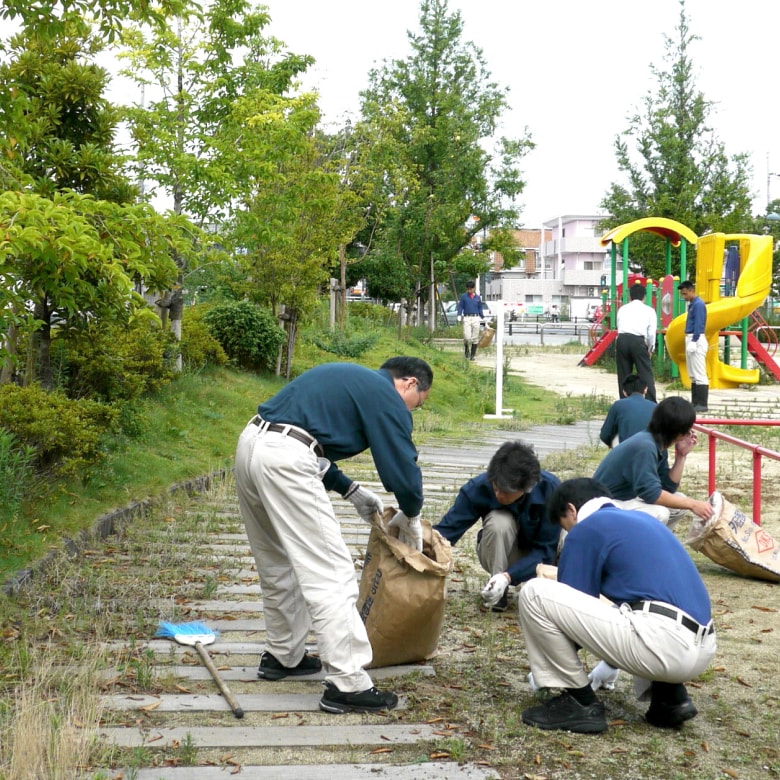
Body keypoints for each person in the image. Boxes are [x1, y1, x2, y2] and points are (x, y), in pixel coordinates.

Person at [233, 356, 433, 714]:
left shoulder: (350, 378)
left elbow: (309, 437)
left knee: (277, 564)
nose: (412, 413)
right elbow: (401, 469)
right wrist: (413, 512)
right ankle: (347, 683)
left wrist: (349, 489)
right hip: (286, 459)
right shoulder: (385, 394)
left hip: (252, 444)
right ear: (408, 384)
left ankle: (284, 656)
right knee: (333, 574)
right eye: (418, 404)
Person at [518, 478, 716, 734]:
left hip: (664, 645)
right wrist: (612, 662)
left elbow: (572, 613)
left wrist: (547, 668)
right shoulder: (644, 521)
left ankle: (579, 702)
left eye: (564, 525)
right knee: (639, 607)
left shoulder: (586, 528)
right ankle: (669, 697)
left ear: (571, 510)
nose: (567, 531)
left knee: (535, 592)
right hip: (703, 647)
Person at [433, 441, 560, 612]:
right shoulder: (477, 488)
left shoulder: (550, 490)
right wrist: (418, 543)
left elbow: (546, 550)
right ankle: (496, 588)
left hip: (539, 558)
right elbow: (446, 532)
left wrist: (509, 576)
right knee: (499, 521)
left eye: (507, 492)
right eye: (496, 487)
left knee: (568, 533)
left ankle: (554, 590)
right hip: (498, 554)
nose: (499, 495)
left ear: (527, 488)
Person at [592, 396, 713, 529]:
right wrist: (693, 504)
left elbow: (667, 488)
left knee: (679, 504)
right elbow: (652, 494)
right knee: (660, 513)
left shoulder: (656, 442)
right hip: (606, 504)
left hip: (625, 500)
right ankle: (640, 547)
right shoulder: (645, 446)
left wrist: (681, 456)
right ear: (679, 431)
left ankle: (657, 541)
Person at [616, 283, 657, 402]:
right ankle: (650, 401)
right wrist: (650, 348)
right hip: (638, 341)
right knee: (645, 373)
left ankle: (624, 400)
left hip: (622, 340)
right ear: (644, 296)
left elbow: (619, 326)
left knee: (624, 373)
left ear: (630, 296)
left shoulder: (622, 309)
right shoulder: (649, 310)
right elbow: (651, 333)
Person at [599, 374, 656, 448]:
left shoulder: (618, 405)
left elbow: (605, 435)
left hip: (627, 451)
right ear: (645, 389)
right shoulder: (656, 407)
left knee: (616, 437)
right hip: (651, 452)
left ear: (624, 392)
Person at [678, 280, 709, 413]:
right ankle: (695, 402)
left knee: (699, 372)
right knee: (693, 373)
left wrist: (695, 340)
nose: (684, 297)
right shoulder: (692, 304)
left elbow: (699, 324)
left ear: (691, 290)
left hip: (696, 338)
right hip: (691, 338)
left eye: (685, 294)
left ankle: (702, 403)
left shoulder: (698, 304)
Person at [457, 280, 482, 361]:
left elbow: (480, 307)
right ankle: (466, 349)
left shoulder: (477, 297)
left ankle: (472, 355)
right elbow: (460, 306)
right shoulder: (464, 297)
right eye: (468, 289)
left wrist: (482, 316)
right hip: (467, 317)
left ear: (473, 288)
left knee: (475, 337)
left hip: (475, 317)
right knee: (467, 337)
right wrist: (459, 314)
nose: (469, 290)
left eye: (471, 289)